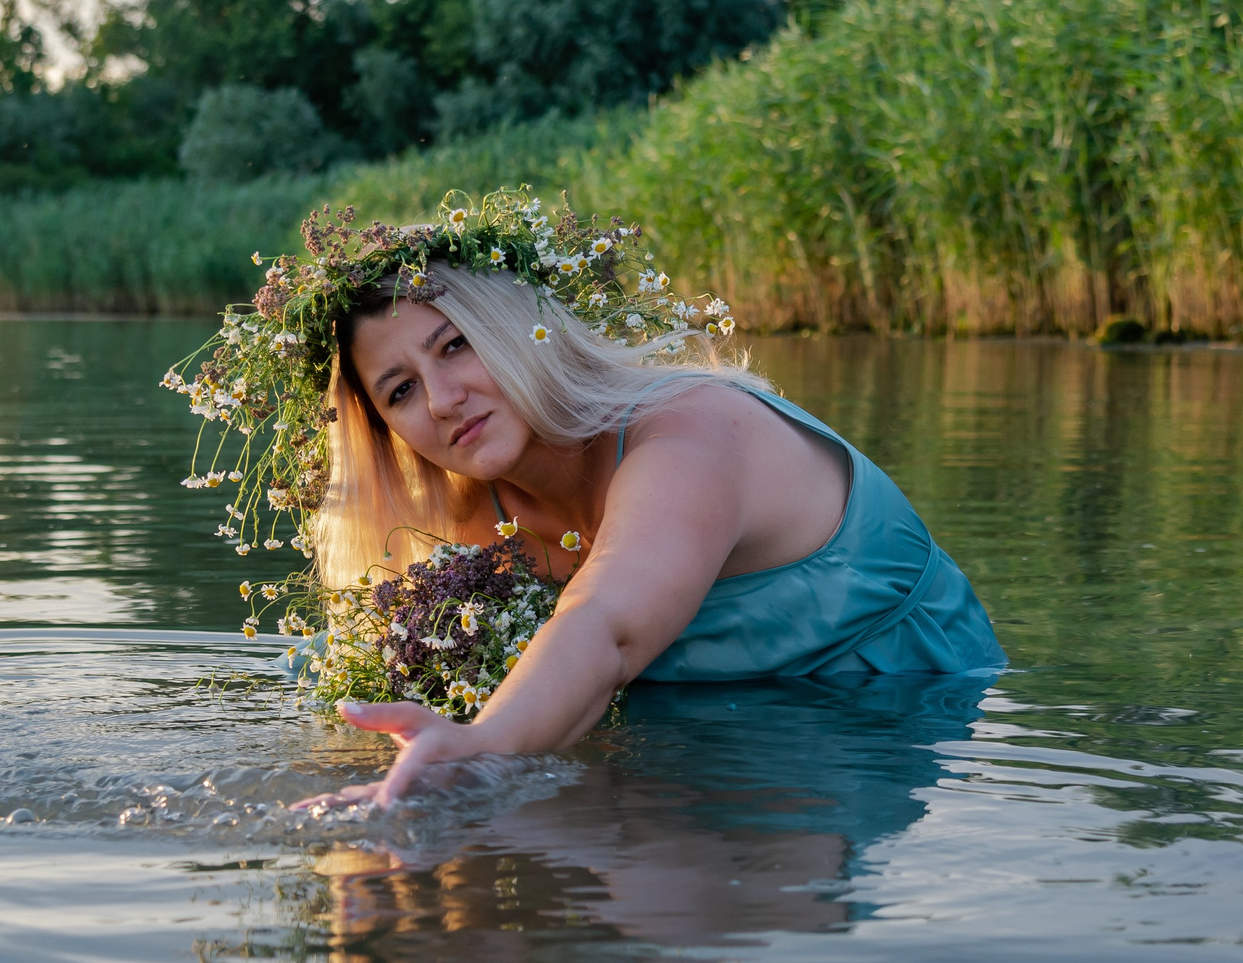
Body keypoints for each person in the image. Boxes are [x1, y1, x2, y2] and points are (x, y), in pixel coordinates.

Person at [163, 194, 1001, 805]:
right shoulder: (474, 525)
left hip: (898, 728)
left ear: (516, 328)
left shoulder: (691, 432)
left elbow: (605, 623)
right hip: (703, 746)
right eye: (401, 390)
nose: (443, 399)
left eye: (456, 345)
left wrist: (483, 746)